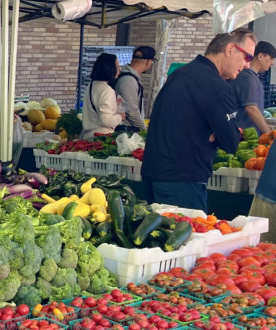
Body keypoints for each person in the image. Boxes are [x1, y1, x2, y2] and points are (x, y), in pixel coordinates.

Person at [141, 30, 253, 211]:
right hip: (183, 182)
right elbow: (231, 142)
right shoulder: (216, 85)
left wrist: (211, 132)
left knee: (157, 237)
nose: (248, 65)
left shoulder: (180, 74)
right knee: (187, 238)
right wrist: (218, 133)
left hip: (153, 174)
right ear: (230, 49)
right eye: (247, 57)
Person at [231, 40, 276, 135]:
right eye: (271, 58)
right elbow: (251, 109)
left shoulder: (253, 77)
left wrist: (267, 126)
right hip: (243, 137)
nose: (272, 63)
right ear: (260, 56)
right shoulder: (247, 78)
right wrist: (269, 134)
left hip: (250, 135)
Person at [81, 52, 124, 139]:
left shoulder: (92, 85)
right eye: (117, 66)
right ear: (109, 69)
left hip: (87, 135)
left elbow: (96, 105)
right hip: (101, 137)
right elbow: (106, 120)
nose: (119, 70)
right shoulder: (107, 90)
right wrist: (120, 117)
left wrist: (113, 103)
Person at [115, 46, 155, 132]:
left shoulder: (129, 77)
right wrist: (143, 130)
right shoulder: (129, 80)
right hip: (126, 131)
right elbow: (131, 110)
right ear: (149, 62)